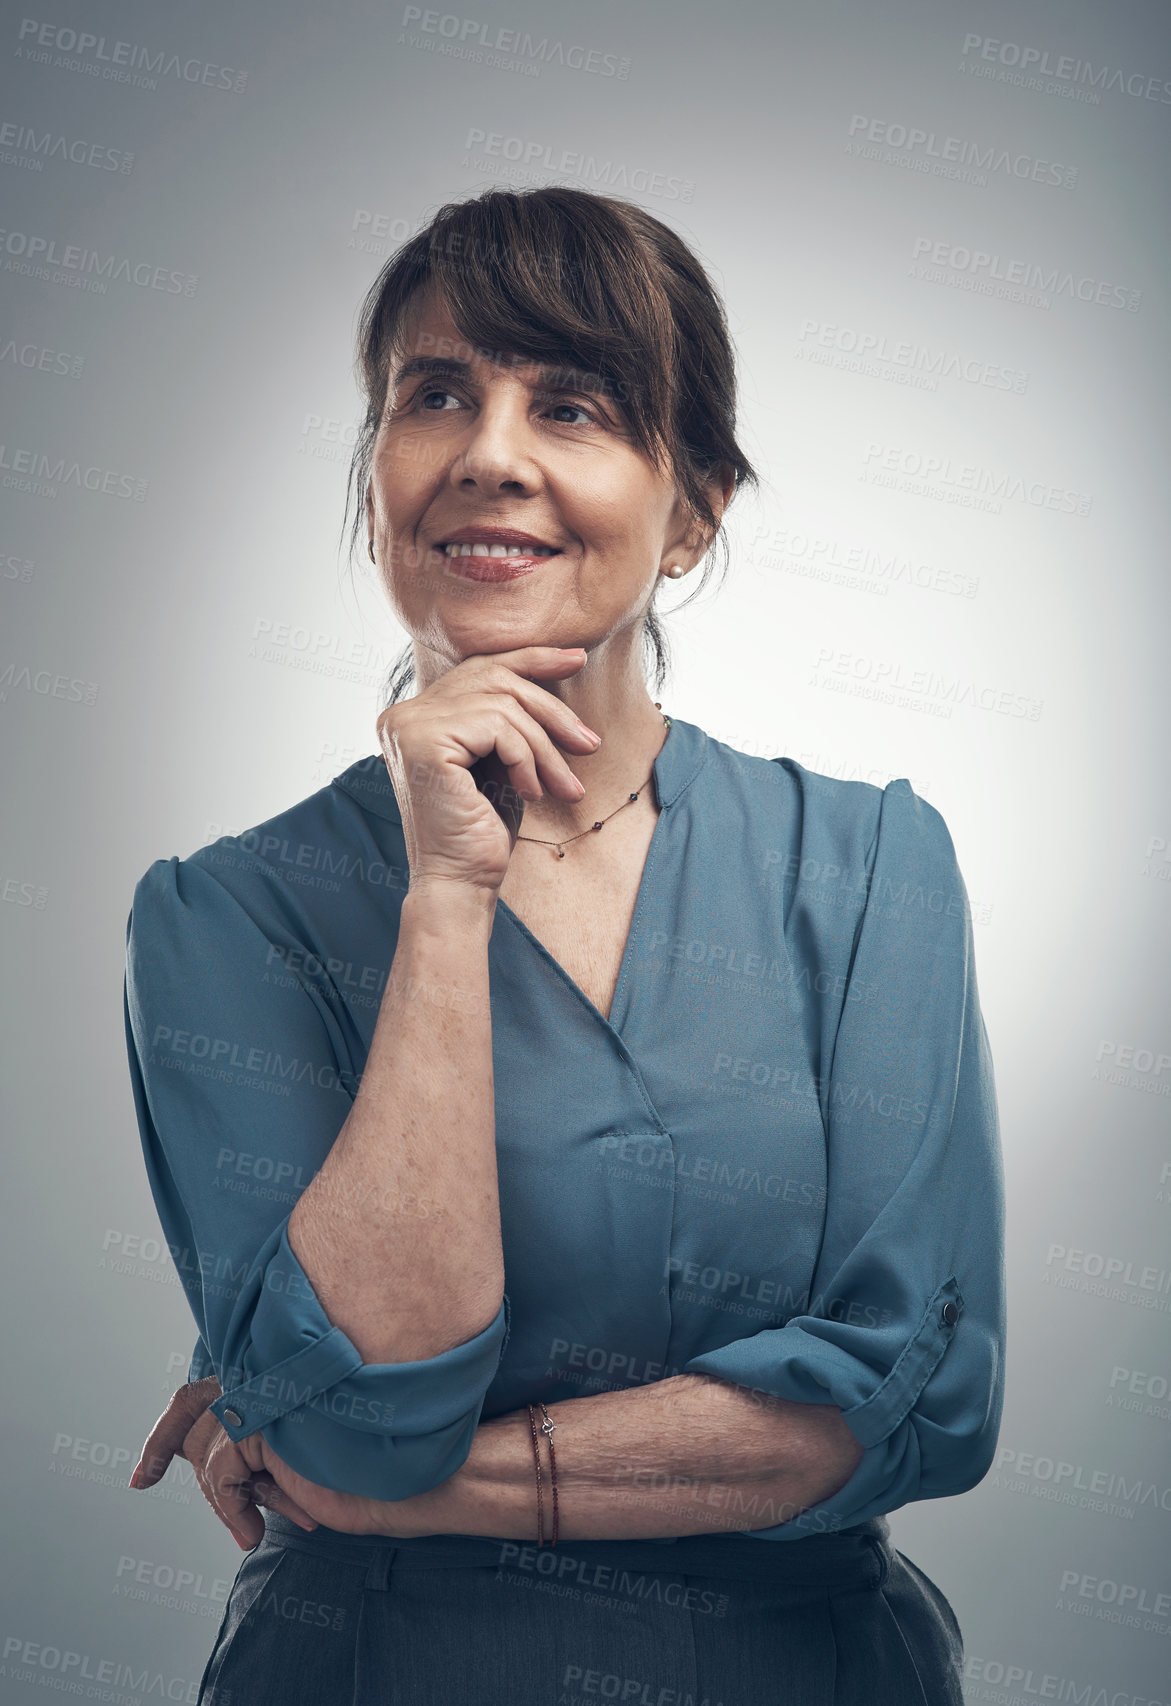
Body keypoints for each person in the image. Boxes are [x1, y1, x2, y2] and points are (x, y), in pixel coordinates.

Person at [123, 185, 1006, 1705]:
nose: (490, 451)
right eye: (438, 393)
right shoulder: (222, 916)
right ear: (382, 468)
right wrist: (447, 897)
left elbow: (913, 1397)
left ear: (694, 511)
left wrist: (422, 1484)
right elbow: (359, 1401)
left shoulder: (872, 870)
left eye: (575, 404)